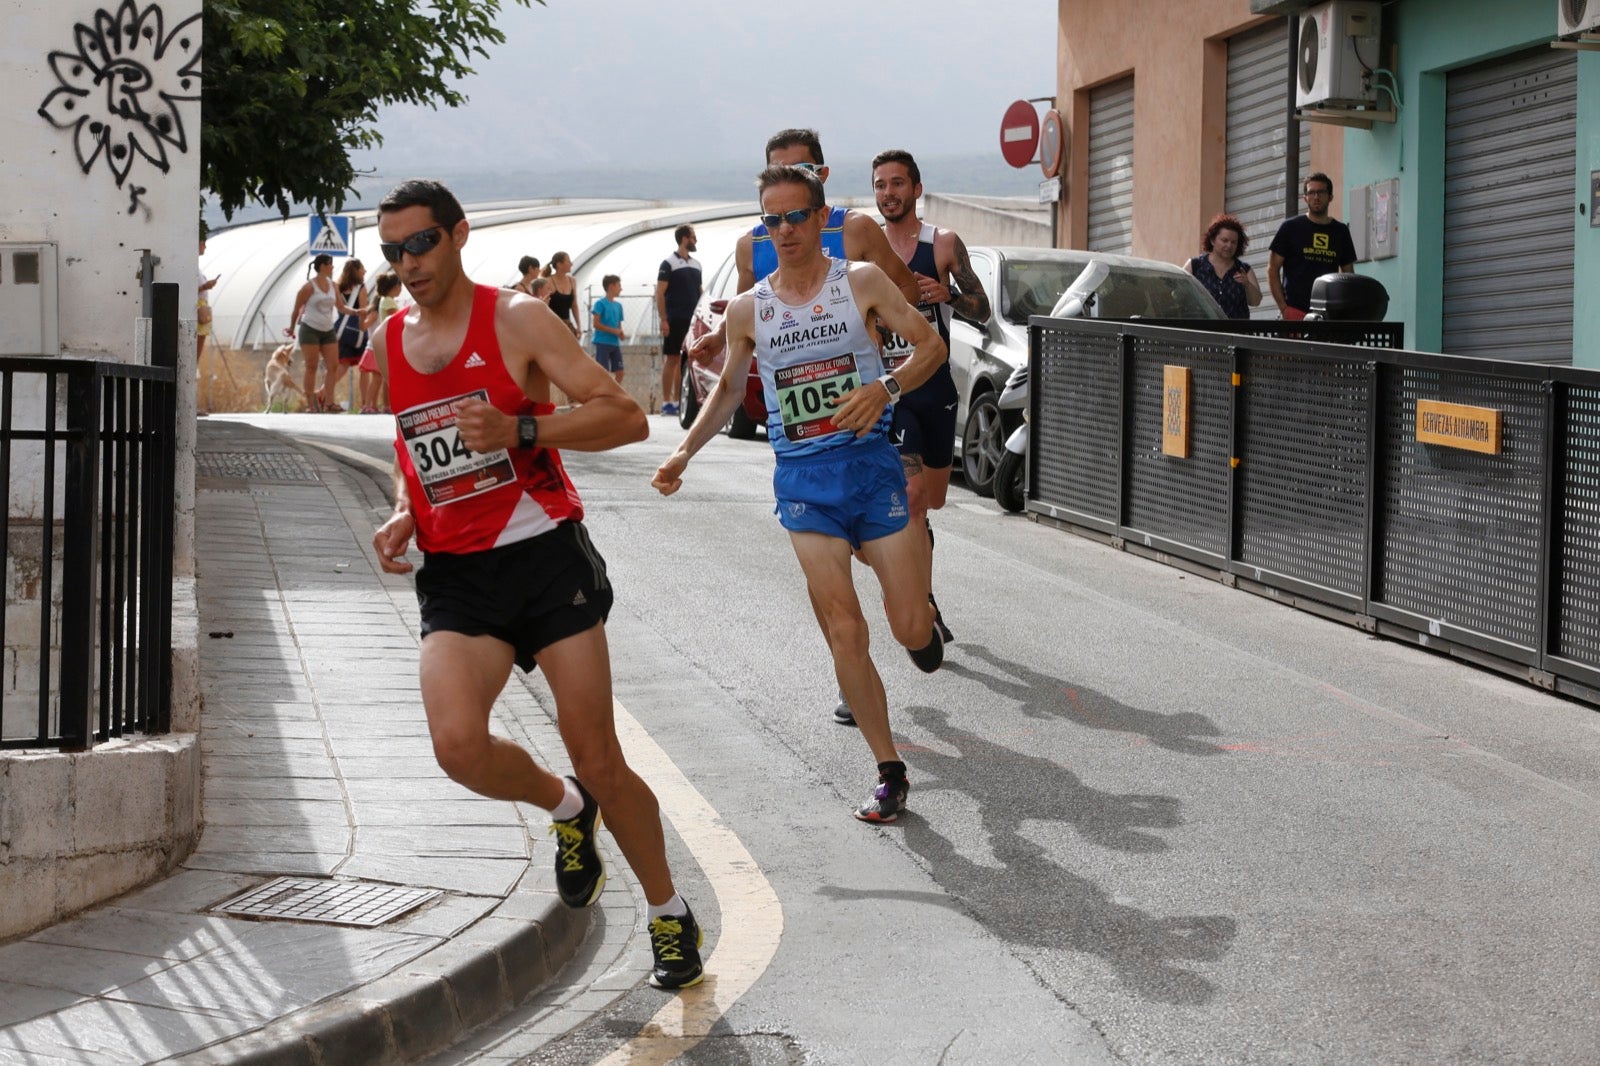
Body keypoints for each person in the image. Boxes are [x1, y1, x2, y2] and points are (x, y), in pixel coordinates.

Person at [369, 178, 704, 990]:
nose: (409, 263)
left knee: (600, 754)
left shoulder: (515, 317)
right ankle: (566, 809)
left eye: (421, 243)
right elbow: (412, 444)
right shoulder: (388, 339)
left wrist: (524, 425)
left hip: (545, 556)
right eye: (392, 250)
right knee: (457, 746)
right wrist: (405, 510)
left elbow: (624, 415)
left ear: (457, 236)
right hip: (457, 575)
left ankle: (668, 913)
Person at [654, 165, 948, 824]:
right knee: (845, 630)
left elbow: (930, 347)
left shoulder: (861, 283)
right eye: (771, 219)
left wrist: (885, 389)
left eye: (795, 216)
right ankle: (888, 769)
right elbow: (729, 388)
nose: (783, 230)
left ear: (821, 219)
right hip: (805, 485)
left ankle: (921, 619)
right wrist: (683, 451)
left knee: (906, 628)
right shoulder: (748, 308)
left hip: (871, 470)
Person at [835, 148, 992, 727]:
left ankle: (920, 596)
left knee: (928, 505)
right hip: (886, 390)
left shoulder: (943, 243)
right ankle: (910, 611)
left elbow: (982, 305)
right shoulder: (859, 246)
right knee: (907, 503)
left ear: (917, 188)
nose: (888, 193)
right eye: (880, 185)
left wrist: (943, 294)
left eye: (897, 183)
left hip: (934, 388)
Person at [687, 127, 919, 365]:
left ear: (822, 174)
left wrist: (880, 329)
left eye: (801, 170)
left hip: (857, 385)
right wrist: (718, 336)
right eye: (779, 171)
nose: (791, 179)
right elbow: (746, 309)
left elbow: (907, 286)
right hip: (786, 387)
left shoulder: (856, 229)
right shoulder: (750, 245)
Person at [1268, 173, 1356, 321]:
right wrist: (1284, 308)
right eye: (1311, 192)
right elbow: (1272, 268)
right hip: (1295, 313)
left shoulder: (1340, 231)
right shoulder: (1290, 227)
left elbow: (1348, 275)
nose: (1316, 197)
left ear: (1330, 197)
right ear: (1305, 198)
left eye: (1321, 192)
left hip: (1328, 315)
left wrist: (1345, 310)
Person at [288, 253, 361, 412]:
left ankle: (329, 403)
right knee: (311, 366)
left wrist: (356, 312)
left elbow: (341, 307)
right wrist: (292, 328)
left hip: (328, 330)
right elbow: (296, 310)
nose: (333, 267)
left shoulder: (333, 286)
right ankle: (311, 405)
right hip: (310, 330)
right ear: (322, 266)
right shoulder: (308, 287)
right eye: (330, 264)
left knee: (333, 366)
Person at [654, 225, 701, 418]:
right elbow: (660, 292)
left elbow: (699, 291)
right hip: (674, 319)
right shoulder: (668, 263)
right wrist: (664, 319)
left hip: (692, 322)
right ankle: (667, 402)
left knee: (687, 360)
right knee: (672, 359)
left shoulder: (697, 264)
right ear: (684, 239)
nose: (695, 241)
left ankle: (681, 400)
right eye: (693, 237)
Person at [1185, 214, 1261, 320]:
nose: (1229, 246)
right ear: (1212, 240)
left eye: (1233, 242)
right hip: (1203, 333)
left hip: (1236, 334)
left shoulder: (1244, 269)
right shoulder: (1195, 265)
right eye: (1224, 240)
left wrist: (1247, 284)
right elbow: (1178, 294)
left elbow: (1256, 301)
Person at [358, 272, 404, 414]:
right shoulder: (389, 301)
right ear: (395, 286)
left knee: (382, 378)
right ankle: (369, 405)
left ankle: (379, 405)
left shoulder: (385, 300)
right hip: (382, 345)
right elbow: (398, 317)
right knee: (378, 378)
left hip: (381, 345)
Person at [332, 258, 375, 401]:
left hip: (342, 330)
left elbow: (338, 307)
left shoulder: (338, 287)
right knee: (365, 368)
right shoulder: (360, 288)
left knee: (343, 364)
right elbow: (362, 311)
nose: (365, 271)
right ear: (356, 270)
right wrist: (365, 328)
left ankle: (322, 393)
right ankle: (365, 402)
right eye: (362, 268)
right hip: (357, 332)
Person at [590, 274, 626, 384]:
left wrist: (620, 333)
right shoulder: (600, 304)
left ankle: (612, 393)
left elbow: (618, 324)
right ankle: (602, 394)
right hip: (602, 343)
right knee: (603, 372)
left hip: (614, 344)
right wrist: (614, 331)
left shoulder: (618, 306)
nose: (621, 288)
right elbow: (596, 324)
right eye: (618, 285)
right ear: (611, 286)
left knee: (620, 373)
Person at [544, 252, 582, 336]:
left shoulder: (572, 281)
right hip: (552, 325)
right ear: (559, 264)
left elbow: (574, 305)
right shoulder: (548, 281)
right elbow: (543, 306)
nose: (571, 264)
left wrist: (579, 326)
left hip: (567, 324)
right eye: (568, 261)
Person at [197, 237, 218, 365]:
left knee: (201, 338)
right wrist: (205, 286)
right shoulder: (191, 268)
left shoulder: (196, 268)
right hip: (198, 307)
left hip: (202, 306)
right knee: (198, 340)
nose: (205, 246)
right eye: (203, 243)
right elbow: (187, 290)